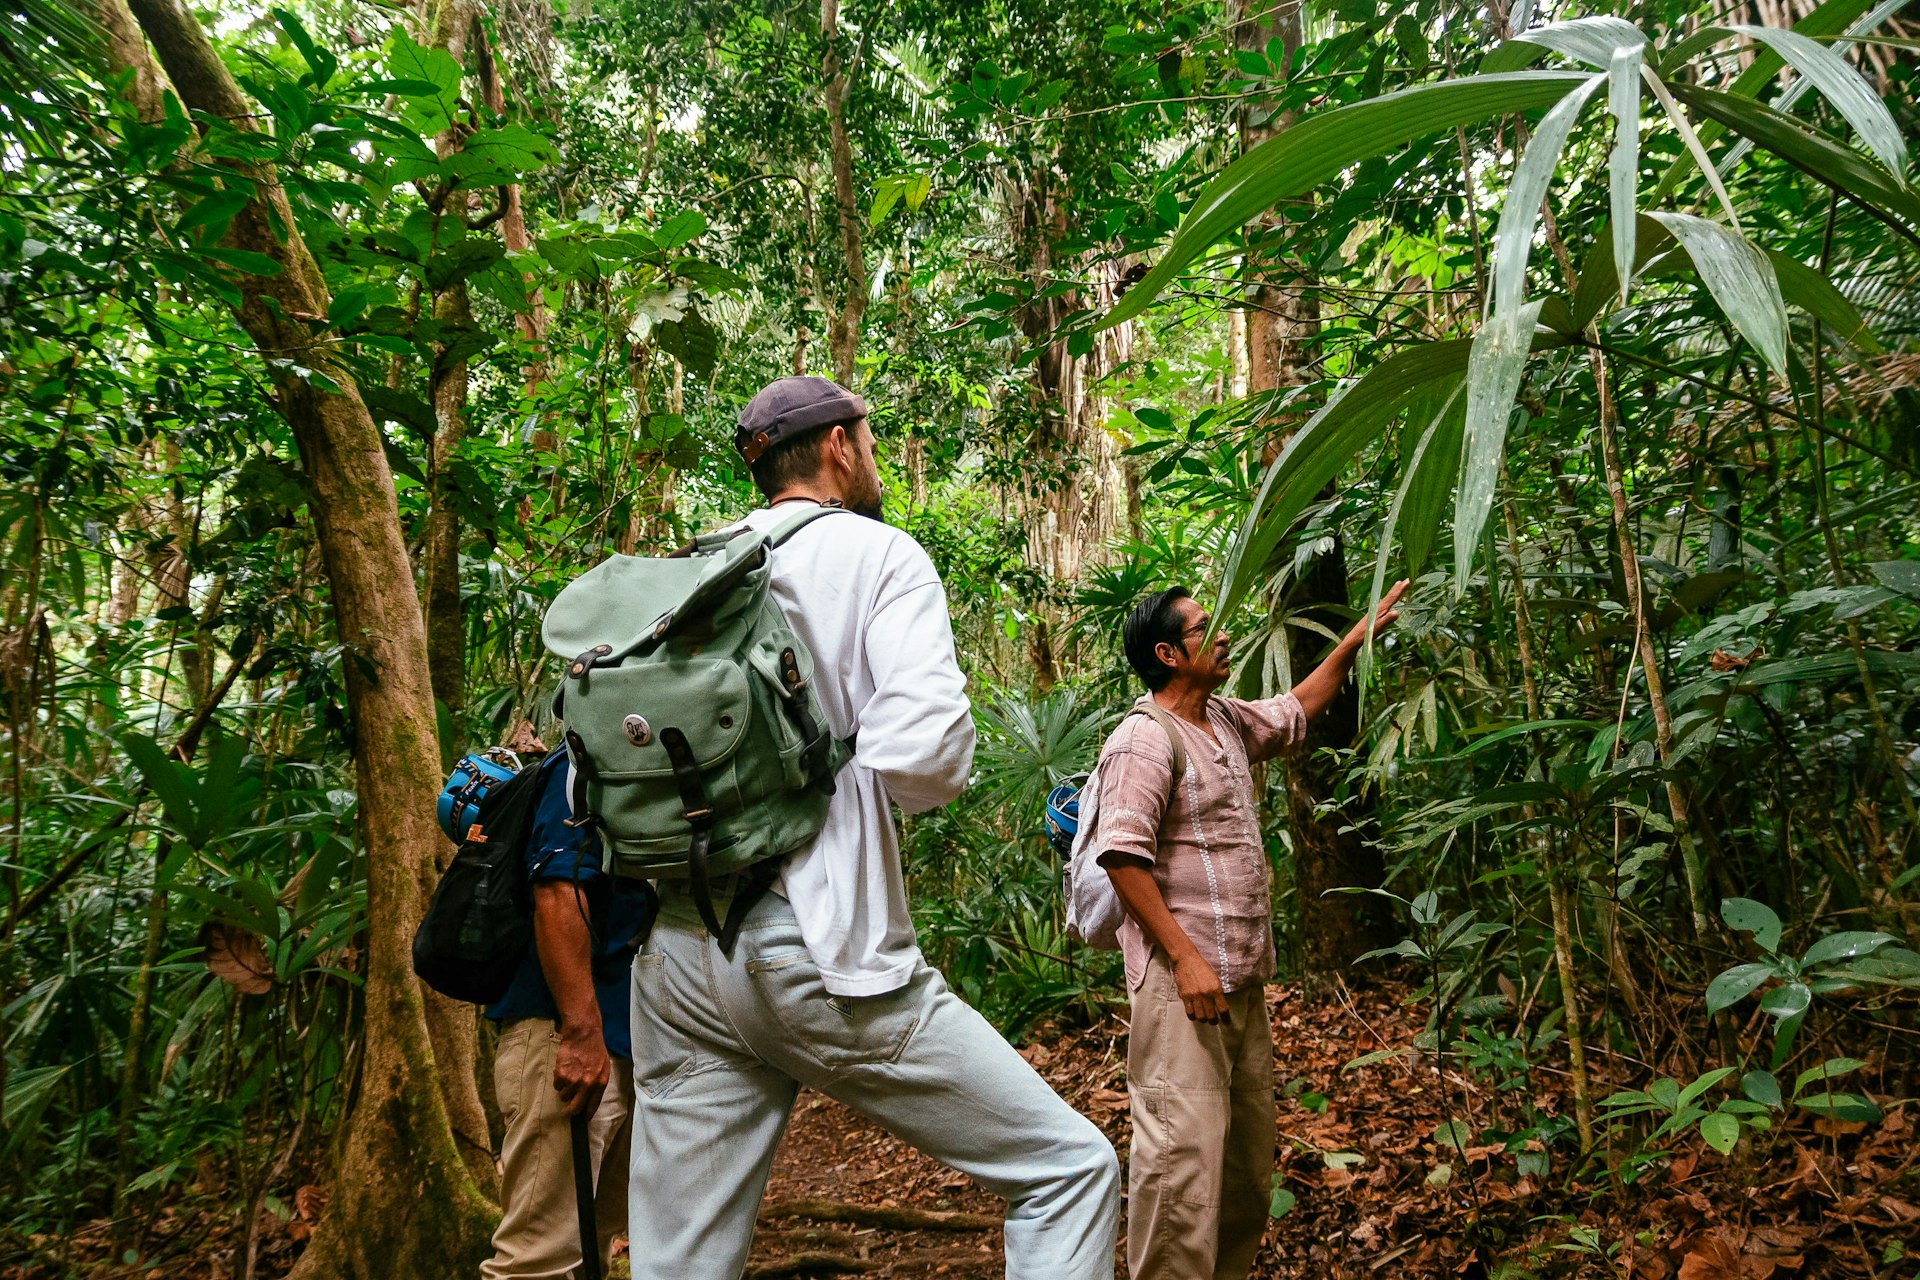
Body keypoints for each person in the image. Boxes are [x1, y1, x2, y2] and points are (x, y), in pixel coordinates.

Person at [624, 375, 1121, 1280]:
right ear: (840, 447)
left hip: (678, 957)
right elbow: (925, 754)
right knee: (1068, 1170)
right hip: (813, 945)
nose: (876, 456)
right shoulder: (877, 555)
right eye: (872, 439)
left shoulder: (687, 569)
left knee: (680, 1263)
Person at [1088, 581, 1406, 1280]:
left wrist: (1352, 642)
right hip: (1183, 992)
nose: (1224, 633)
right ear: (1169, 654)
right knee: (1180, 1179)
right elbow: (1121, 856)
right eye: (1207, 628)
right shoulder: (1144, 739)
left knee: (1239, 1179)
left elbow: (1297, 710)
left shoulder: (1224, 720)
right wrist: (1186, 960)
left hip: (1240, 987)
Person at [483, 748, 657, 1280]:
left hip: (619, 1044)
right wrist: (580, 1033)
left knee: (590, 1245)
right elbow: (558, 891)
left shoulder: (647, 774)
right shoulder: (580, 766)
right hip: (562, 1037)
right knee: (536, 1258)